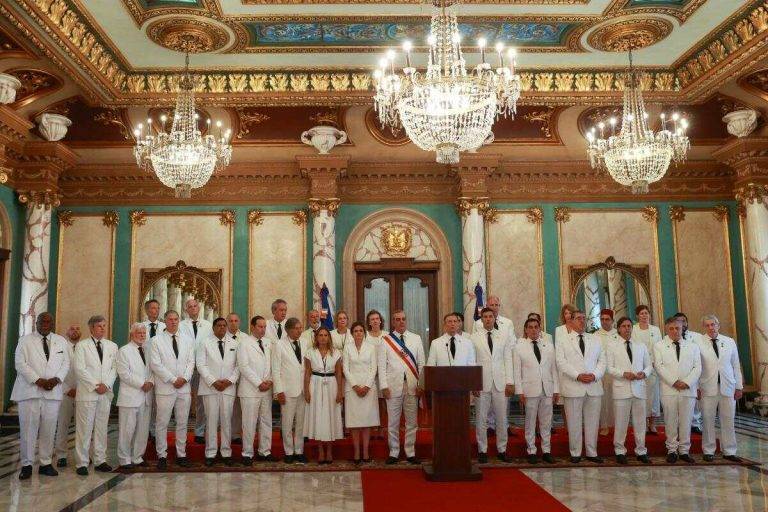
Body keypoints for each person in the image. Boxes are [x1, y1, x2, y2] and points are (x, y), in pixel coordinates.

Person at [11, 312, 70, 480]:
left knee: (49, 429)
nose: (45, 323)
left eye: (48, 321)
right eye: (42, 321)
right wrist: (38, 380)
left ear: (52, 323)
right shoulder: (25, 340)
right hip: (30, 392)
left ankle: (45, 463)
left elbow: (66, 363)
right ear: (36, 323)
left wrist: (57, 379)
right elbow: (20, 363)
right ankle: (27, 465)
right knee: (28, 429)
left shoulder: (61, 341)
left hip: (53, 392)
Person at [555, 309, 605, 464]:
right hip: (573, 385)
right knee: (574, 421)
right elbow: (561, 362)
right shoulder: (563, 340)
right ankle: (575, 452)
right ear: (571, 321)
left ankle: (591, 452)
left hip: (593, 385)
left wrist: (595, 375)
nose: (582, 321)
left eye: (584, 318)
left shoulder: (596, 339)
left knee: (593, 421)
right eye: (578, 318)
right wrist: (577, 375)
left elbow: (602, 361)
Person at [378, 310, 426, 465]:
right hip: (392, 387)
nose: (401, 322)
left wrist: (421, 385)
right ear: (393, 322)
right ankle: (394, 452)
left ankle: (410, 452)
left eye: (403, 319)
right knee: (393, 423)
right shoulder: (385, 340)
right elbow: (381, 366)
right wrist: (384, 386)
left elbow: (421, 364)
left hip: (412, 386)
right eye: (397, 319)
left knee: (412, 422)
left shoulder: (416, 338)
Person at [150, 310, 196, 469]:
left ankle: (181, 454)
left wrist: (184, 378)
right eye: (170, 319)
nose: (174, 322)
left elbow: (191, 362)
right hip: (165, 387)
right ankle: (162, 455)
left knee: (182, 422)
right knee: (162, 422)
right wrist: (172, 379)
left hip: (184, 387)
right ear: (165, 321)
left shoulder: (188, 340)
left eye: (176, 319)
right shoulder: (155, 341)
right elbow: (155, 364)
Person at [73, 315, 117, 476]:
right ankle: (82, 462)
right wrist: (95, 385)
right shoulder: (82, 346)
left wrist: (106, 385)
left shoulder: (112, 346)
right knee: (84, 429)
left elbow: (114, 369)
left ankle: (100, 460)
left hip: (105, 393)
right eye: (99, 326)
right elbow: (80, 369)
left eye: (104, 325)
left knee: (101, 428)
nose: (103, 328)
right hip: (88, 393)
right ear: (91, 328)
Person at [654, 317, 701, 464]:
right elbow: (659, 366)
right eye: (671, 329)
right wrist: (674, 382)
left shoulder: (692, 346)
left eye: (678, 328)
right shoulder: (659, 346)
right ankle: (672, 450)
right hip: (669, 389)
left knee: (686, 420)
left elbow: (697, 367)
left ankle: (684, 450)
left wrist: (686, 382)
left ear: (682, 329)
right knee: (670, 420)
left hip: (688, 389)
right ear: (666, 329)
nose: (675, 331)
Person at [697, 314, 743, 462]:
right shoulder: (697, 342)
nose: (711, 328)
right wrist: (696, 386)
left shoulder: (729, 342)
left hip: (728, 386)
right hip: (707, 387)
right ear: (704, 327)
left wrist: (739, 386)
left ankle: (729, 450)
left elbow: (735, 365)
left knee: (728, 419)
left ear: (718, 325)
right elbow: (696, 367)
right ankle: (709, 450)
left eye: (713, 324)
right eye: (708, 325)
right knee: (708, 419)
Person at [471, 307, 514, 463]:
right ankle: (482, 450)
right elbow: (472, 362)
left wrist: (510, 382)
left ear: (495, 318)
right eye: (485, 317)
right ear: (481, 320)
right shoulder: (473, 338)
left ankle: (502, 450)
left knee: (502, 419)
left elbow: (508, 360)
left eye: (490, 316)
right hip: (481, 384)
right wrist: (474, 383)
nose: (488, 319)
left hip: (501, 383)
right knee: (481, 419)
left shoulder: (503, 336)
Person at [607, 317, 652, 464]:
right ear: (618, 328)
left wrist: (644, 373)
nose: (627, 328)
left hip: (639, 388)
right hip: (621, 389)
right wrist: (623, 374)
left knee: (640, 422)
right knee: (621, 422)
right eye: (624, 326)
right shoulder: (612, 345)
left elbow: (649, 365)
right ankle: (620, 450)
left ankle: (641, 450)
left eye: (629, 326)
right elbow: (609, 367)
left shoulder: (641, 345)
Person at [514, 317, 558, 464]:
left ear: (540, 329)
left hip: (547, 389)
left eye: (536, 327)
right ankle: (531, 450)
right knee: (530, 422)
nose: (533, 330)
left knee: (546, 422)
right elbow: (517, 372)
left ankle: (546, 450)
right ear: (526, 330)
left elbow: (554, 370)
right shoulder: (519, 347)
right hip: (529, 390)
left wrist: (556, 390)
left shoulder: (548, 346)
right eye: (530, 327)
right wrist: (519, 391)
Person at [197, 317, 240, 466]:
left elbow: (238, 366)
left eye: (224, 326)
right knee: (211, 420)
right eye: (219, 326)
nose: (222, 328)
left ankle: (226, 452)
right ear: (214, 328)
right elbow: (201, 365)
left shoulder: (235, 343)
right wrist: (213, 381)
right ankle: (210, 453)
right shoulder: (204, 343)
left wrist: (230, 381)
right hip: (210, 387)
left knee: (226, 420)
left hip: (228, 388)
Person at [238, 316, 275, 465]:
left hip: (266, 389)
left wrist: (270, 380)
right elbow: (244, 367)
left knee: (266, 421)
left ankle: (264, 451)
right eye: (260, 326)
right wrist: (259, 383)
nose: (263, 329)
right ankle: (247, 453)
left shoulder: (268, 343)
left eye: (264, 327)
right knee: (249, 422)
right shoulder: (244, 343)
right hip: (250, 390)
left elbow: (273, 364)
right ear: (252, 327)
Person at [116, 323, 154, 469]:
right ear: (132, 334)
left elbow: (153, 370)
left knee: (142, 430)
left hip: (146, 397)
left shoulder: (148, 350)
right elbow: (124, 373)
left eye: (144, 333)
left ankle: (137, 457)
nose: (142, 335)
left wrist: (150, 382)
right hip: (130, 397)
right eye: (139, 332)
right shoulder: (124, 350)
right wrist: (141, 384)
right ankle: (124, 459)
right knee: (127, 430)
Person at [304, 327, 344, 464]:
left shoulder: (336, 353)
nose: (323, 337)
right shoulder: (310, 352)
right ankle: (321, 450)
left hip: (331, 385)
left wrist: (340, 391)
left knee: (330, 417)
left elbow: (339, 373)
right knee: (319, 417)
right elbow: (307, 372)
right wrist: (306, 391)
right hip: (315, 384)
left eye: (325, 335)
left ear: (329, 337)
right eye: (320, 335)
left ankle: (329, 451)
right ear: (316, 338)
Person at [272, 317, 309, 464]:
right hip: (287, 390)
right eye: (297, 328)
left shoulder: (305, 343)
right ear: (288, 330)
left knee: (301, 423)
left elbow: (306, 368)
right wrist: (279, 391)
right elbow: (275, 369)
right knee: (287, 423)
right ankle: (288, 452)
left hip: (302, 389)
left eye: (301, 328)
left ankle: (299, 451)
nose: (300, 330)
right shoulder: (279, 345)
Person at [343, 322, 380, 463]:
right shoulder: (347, 348)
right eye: (355, 331)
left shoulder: (371, 348)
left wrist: (366, 386)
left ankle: (365, 452)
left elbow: (374, 368)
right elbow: (346, 369)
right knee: (355, 423)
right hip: (353, 389)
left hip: (368, 389)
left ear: (364, 333)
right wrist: (355, 386)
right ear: (351, 334)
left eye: (360, 331)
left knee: (366, 422)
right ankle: (357, 453)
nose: (358, 333)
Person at [179, 298, 212, 444]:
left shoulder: (208, 325)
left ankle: (199, 432)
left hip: (202, 367)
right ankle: (182, 434)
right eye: (190, 307)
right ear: (186, 309)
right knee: (184, 400)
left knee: (201, 401)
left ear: (198, 308)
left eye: (195, 306)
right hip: (185, 367)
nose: (193, 308)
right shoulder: (180, 325)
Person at [632, 304, 662, 434]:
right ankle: (642, 424)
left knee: (653, 396)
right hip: (639, 368)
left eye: (646, 313)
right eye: (642, 313)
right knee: (641, 396)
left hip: (653, 366)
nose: (644, 315)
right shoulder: (633, 329)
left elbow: (659, 347)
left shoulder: (655, 330)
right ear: (637, 316)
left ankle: (652, 424)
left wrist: (657, 362)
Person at [54, 324, 81, 468]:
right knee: (63, 424)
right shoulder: (61, 347)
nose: (75, 331)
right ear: (67, 332)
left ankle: (82, 455)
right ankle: (61, 455)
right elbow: (56, 369)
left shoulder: (85, 348)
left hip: (82, 393)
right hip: (65, 392)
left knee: (82, 426)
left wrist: (81, 389)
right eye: (72, 329)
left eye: (77, 329)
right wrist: (67, 389)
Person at [675, 312, 703, 434]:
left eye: (684, 321)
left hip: (695, 374)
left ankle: (695, 423)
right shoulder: (671, 337)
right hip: (678, 375)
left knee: (695, 401)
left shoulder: (697, 337)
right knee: (678, 402)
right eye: (679, 321)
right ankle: (679, 425)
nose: (682, 323)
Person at [224, 313, 246, 442]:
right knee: (226, 409)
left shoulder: (245, 338)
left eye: (235, 321)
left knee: (238, 408)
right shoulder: (221, 337)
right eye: (230, 321)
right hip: (226, 379)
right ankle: (224, 436)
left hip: (242, 378)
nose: (233, 323)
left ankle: (236, 434)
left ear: (239, 322)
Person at [595, 309, 617, 436]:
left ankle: (615, 425)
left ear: (612, 321)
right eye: (602, 319)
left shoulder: (617, 334)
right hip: (601, 373)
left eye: (607, 319)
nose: (604, 322)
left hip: (616, 373)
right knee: (603, 400)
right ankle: (604, 425)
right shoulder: (595, 336)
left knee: (615, 400)